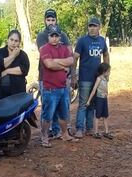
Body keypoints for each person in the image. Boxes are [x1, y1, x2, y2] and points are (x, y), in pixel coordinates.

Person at [36, 9, 73, 137]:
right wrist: (63, 66)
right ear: (45, 20)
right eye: (48, 20)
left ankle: (58, 131)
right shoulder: (41, 35)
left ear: (56, 20)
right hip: (45, 76)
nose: (51, 22)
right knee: (47, 107)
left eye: (53, 19)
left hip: (63, 78)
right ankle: (45, 133)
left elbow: (70, 56)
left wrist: (60, 64)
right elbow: (47, 62)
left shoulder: (63, 34)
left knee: (62, 106)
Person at [73, 17, 110, 139]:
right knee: (83, 103)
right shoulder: (82, 41)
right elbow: (75, 58)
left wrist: (106, 73)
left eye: (94, 26)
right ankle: (79, 128)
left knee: (93, 104)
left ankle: (89, 128)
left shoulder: (101, 40)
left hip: (97, 78)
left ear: (99, 27)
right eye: (90, 26)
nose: (92, 28)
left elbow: (105, 54)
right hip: (84, 78)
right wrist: (73, 75)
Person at [0, 30, 30, 100]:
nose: (13, 43)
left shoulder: (23, 55)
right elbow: (0, 65)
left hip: (17, 94)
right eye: (11, 40)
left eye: (16, 41)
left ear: (19, 42)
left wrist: (7, 71)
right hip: (0, 93)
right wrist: (14, 55)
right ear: (7, 40)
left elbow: (24, 70)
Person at [86, 63, 111, 138]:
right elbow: (94, 90)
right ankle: (96, 132)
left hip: (104, 98)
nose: (109, 73)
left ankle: (106, 132)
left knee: (105, 115)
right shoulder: (99, 79)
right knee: (97, 115)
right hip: (99, 98)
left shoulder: (105, 79)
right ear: (104, 71)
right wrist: (88, 101)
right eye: (108, 71)